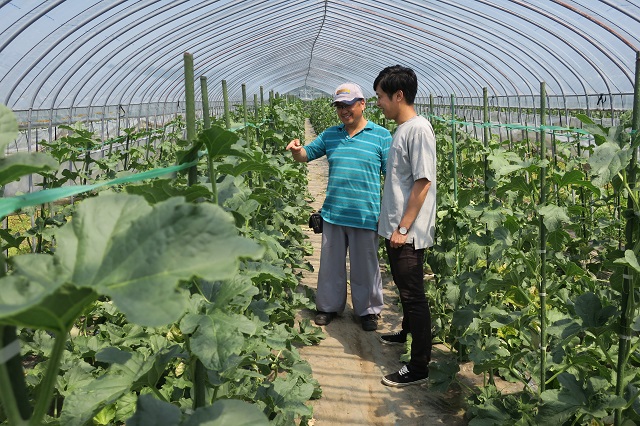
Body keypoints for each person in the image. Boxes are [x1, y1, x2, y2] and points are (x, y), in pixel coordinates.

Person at [286, 82, 392, 331]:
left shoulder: (381, 136)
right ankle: (328, 307)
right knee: (331, 266)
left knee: (366, 267)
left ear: (362, 104)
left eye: (349, 105)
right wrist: (297, 150)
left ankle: (367, 311)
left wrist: (390, 215)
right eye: (339, 106)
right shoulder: (331, 135)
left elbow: (391, 176)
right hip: (333, 213)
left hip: (366, 214)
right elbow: (307, 155)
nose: (344, 111)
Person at [373, 65, 436, 387]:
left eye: (381, 97)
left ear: (399, 95)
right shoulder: (404, 128)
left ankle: (419, 367)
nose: (378, 103)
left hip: (407, 232)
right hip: (399, 227)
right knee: (404, 288)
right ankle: (406, 333)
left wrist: (403, 229)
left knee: (413, 296)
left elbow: (423, 182)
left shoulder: (418, 129)